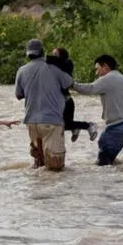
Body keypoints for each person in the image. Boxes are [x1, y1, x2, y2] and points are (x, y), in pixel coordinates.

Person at [15, 39, 74, 171]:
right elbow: (69, 83)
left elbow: (18, 95)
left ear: (28, 54)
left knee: (38, 165)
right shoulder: (54, 68)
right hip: (51, 122)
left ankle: (39, 191)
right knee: (55, 168)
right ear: (42, 51)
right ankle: (55, 192)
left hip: (31, 122)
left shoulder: (21, 71)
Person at [72, 55, 123, 165]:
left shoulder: (107, 79)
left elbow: (90, 89)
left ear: (105, 66)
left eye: (97, 69)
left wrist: (72, 84)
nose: (97, 73)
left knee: (102, 164)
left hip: (117, 127)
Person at [46, 47, 98, 142]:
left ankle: (89, 125)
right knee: (64, 125)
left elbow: (50, 59)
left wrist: (40, 58)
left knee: (62, 125)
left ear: (61, 56)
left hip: (66, 102)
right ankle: (76, 127)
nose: (52, 56)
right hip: (66, 101)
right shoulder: (61, 65)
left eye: (55, 54)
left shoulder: (64, 65)